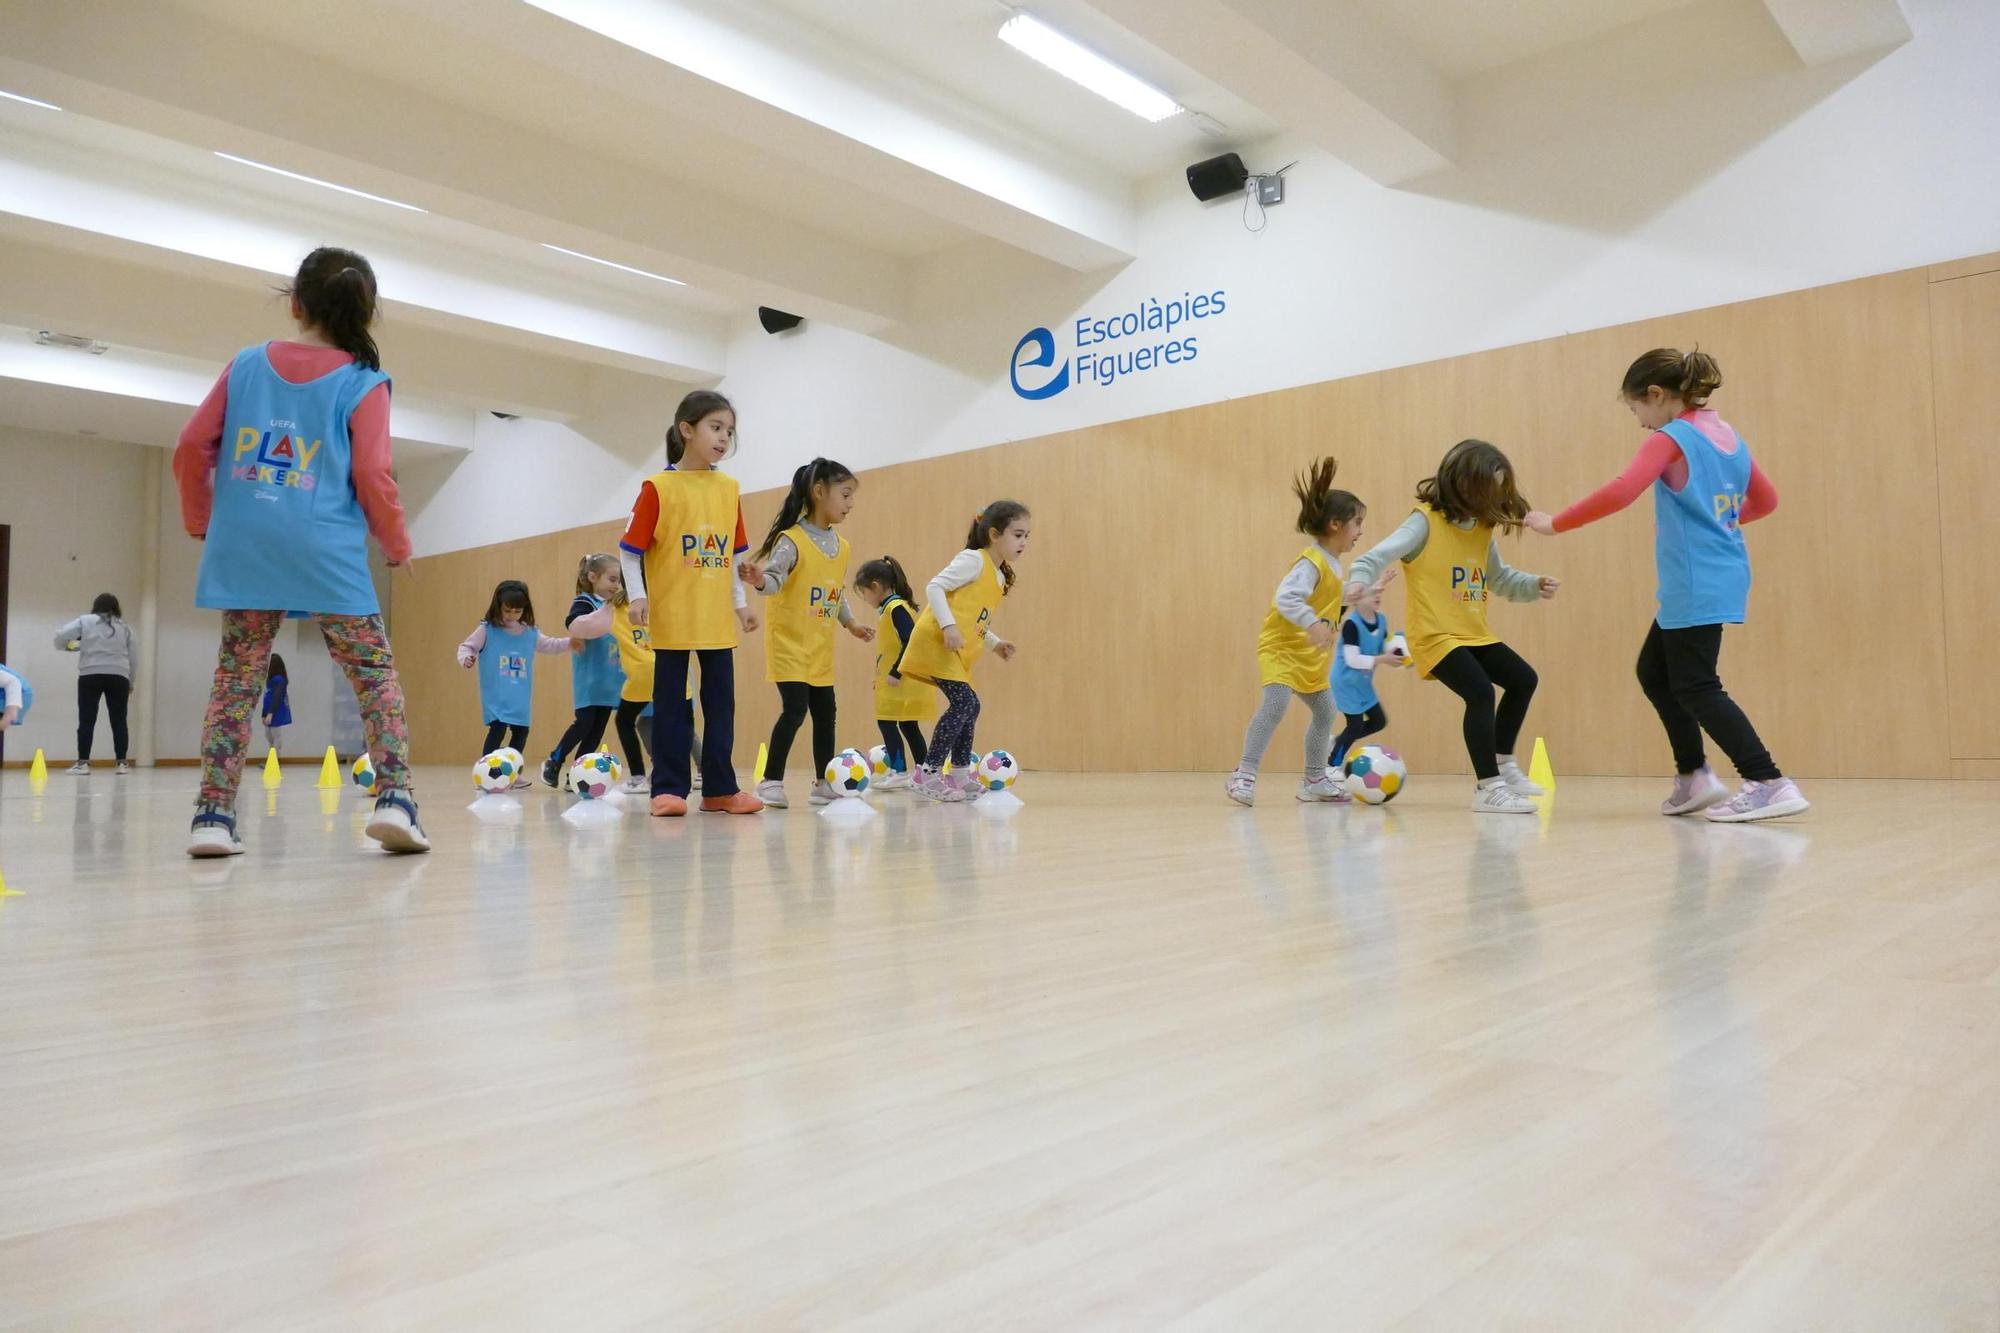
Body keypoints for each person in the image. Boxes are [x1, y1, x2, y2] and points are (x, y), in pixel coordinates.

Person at [172, 245, 426, 855]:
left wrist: (201, 519)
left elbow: (189, 447)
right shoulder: (365, 383)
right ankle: (394, 799)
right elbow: (374, 476)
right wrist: (396, 544)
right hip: (326, 555)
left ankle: (213, 814)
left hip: (246, 550)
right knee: (373, 676)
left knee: (237, 681)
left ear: (295, 304)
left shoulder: (245, 365)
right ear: (364, 316)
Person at [1524, 348, 1807, 822]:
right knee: (1655, 672)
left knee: (1697, 684)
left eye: (1636, 409)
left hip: (1694, 580)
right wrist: (1720, 525)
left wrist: (1555, 524)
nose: (1639, 422)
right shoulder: (1728, 436)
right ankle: (1694, 776)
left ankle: (1767, 781)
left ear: (1656, 395)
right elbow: (1766, 500)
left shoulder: (1670, 439)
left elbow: (1620, 490)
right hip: (1723, 573)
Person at [1346, 439, 1558, 815]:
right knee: (1479, 692)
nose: (1493, 497)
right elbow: (1377, 555)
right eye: (1487, 489)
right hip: (1434, 635)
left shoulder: (1480, 528)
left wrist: (1532, 585)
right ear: (1463, 484)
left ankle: (1504, 767)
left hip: (1472, 632)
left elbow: (1498, 577)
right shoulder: (1424, 521)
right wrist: (1358, 579)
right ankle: (1488, 787)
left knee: (1524, 679)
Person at [617, 390, 764, 816]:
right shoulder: (658, 488)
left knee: (721, 708)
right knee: (671, 710)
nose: (723, 437)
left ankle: (720, 788)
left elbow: (733, 555)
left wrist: (741, 604)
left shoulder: (729, 489)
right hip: (674, 619)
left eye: (729, 431)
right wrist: (639, 595)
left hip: (716, 621)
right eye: (715, 427)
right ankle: (668, 789)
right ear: (687, 429)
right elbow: (630, 550)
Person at [1226, 458, 1366, 807]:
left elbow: (1329, 602)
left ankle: (1314, 778)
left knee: (1326, 712)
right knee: (1275, 705)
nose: (1360, 531)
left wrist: (1355, 595)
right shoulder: (1311, 561)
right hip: (1281, 648)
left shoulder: (1334, 566)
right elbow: (1286, 597)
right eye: (1357, 523)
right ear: (1335, 525)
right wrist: (1312, 623)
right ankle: (1243, 774)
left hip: (1307, 657)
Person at [750, 458, 874, 808]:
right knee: (794, 710)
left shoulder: (842, 546)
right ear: (819, 492)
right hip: (789, 644)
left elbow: (836, 594)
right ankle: (771, 780)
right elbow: (773, 581)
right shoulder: (791, 540)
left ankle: (823, 782)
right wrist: (760, 579)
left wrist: (851, 624)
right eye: (845, 494)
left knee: (826, 712)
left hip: (820, 648)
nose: (850, 504)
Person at [896, 500, 1029, 803]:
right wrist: (947, 626)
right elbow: (935, 587)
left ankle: (958, 774)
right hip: (935, 641)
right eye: (1018, 534)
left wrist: (995, 644)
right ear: (994, 534)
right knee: (964, 702)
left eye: (1027, 536)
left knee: (971, 705)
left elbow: (974, 620)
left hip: (953, 648)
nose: (1024, 542)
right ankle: (927, 773)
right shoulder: (973, 560)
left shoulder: (997, 575)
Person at [455, 579, 574, 779]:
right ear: (498, 606)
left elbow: (550, 645)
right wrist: (466, 658)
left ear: (524, 609)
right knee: (498, 730)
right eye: (507, 610)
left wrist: (571, 642)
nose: (512, 615)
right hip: (497, 695)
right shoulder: (487, 630)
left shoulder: (530, 633)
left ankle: (512, 773)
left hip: (519, 697)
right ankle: (487, 771)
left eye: (517, 611)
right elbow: (467, 646)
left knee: (521, 733)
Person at [539, 554, 626, 788]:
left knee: (596, 733)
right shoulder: (585, 602)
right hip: (589, 680)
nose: (616, 586)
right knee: (584, 723)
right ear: (592, 577)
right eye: (612, 579)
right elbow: (575, 623)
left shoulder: (617, 608)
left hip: (609, 681)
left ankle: (576, 775)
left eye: (619, 581)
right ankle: (554, 760)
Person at [851, 555, 933, 790]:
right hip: (904, 680)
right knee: (908, 725)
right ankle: (924, 771)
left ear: (875, 586)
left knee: (887, 722)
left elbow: (911, 640)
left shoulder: (895, 608)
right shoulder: (893, 608)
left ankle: (899, 771)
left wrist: (896, 672)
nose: (866, 599)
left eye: (864, 593)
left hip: (902, 680)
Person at [1328, 574, 1409, 772]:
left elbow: (1381, 646)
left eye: (1379, 592)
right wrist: (1383, 659)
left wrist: (1399, 655)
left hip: (1363, 683)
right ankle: (1332, 765)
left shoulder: (1381, 620)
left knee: (1378, 721)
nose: (1377, 595)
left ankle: (1337, 742)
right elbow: (1353, 659)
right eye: (1371, 592)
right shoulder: (1351, 625)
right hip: (1345, 682)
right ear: (1355, 599)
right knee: (1354, 726)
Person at [54, 592, 136, 775]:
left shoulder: (85, 621)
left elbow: (60, 637)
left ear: (96, 606)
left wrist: (73, 647)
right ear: (117, 608)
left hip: (90, 674)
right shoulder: (125, 627)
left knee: (86, 719)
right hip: (119, 675)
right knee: (119, 720)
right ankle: (122, 763)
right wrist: (131, 681)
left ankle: (83, 763)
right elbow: (133, 657)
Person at [260, 652, 292, 756]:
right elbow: (267, 697)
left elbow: (277, 698)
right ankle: (271, 758)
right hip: (268, 709)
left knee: (275, 735)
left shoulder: (280, 680)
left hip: (275, 711)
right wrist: (263, 714)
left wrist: (270, 713)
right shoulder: (270, 680)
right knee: (268, 735)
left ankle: (276, 759)